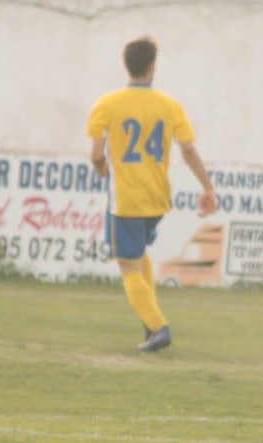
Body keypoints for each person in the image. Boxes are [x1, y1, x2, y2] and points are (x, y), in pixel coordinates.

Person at [86, 36, 217, 352]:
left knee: (127, 265)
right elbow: (187, 148)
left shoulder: (107, 104)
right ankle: (150, 324)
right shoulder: (169, 105)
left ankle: (158, 328)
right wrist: (208, 187)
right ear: (151, 66)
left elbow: (96, 155)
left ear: (127, 65)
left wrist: (108, 174)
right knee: (139, 255)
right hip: (157, 199)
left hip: (126, 200)